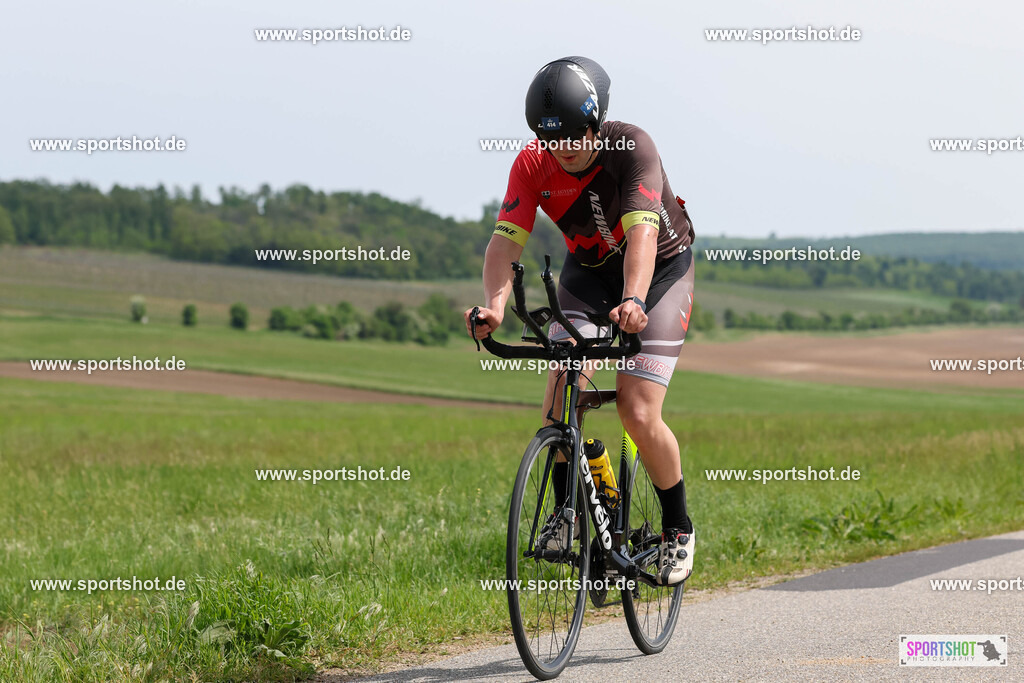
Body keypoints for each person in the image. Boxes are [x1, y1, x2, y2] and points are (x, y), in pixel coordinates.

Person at [465, 56, 696, 586]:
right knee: (559, 396)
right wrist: (494, 306)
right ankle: (569, 509)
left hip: (658, 271)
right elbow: (505, 241)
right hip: (588, 273)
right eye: (549, 137)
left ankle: (678, 527)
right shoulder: (532, 164)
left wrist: (634, 299)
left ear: (597, 123)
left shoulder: (632, 148)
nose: (562, 148)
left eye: (573, 134)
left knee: (637, 410)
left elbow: (641, 235)